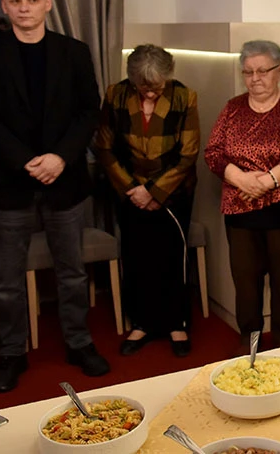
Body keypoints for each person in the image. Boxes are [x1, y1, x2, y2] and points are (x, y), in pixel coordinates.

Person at [0, 0, 109, 392]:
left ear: (47, 3)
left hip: (63, 178)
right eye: (15, 1)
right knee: (7, 278)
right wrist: (27, 160)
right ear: (5, 7)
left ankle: (79, 343)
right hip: (10, 180)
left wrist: (60, 157)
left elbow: (88, 111)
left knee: (72, 271)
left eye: (32, 0)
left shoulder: (74, 52)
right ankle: (12, 351)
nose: (24, 7)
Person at [205, 41, 280, 349]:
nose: (255, 78)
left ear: (279, 71)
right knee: (246, 284)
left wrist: (269, 180)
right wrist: (240, 178)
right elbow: (213, 152)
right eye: (248, 72)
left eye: (262, 71)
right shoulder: (232, 108)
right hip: (239, 209)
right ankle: (250, 345)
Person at [93, 45, 200, 357]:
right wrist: (133, 189)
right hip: (128, 191)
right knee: (138, 256)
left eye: (158, 87)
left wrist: (154, 192)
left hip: (174, 191)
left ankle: (176, 323)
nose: (152, 94)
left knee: (171, 258)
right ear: (132, 81)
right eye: (145, 88)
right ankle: (141, 322)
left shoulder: (185, 96)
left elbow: (188, 152)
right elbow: (104, 147)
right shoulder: (115, 95)